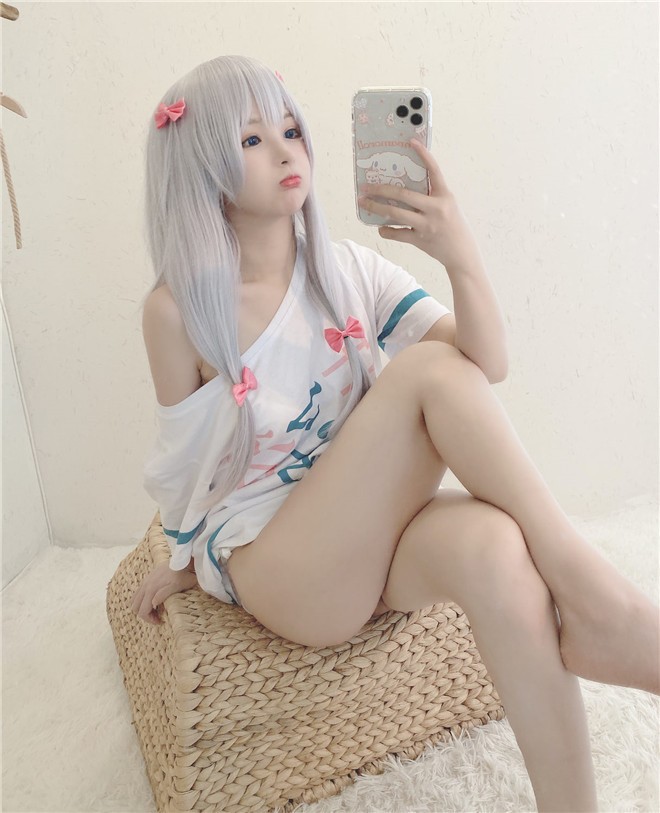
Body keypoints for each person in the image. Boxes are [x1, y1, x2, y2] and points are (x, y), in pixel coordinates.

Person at [131, 55, 659, 812]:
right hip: (283, 566)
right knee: (426, 371)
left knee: (495, 548)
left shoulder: (347, 269)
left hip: (369, 542)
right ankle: (602, 602)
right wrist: (185, 558)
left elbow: (485, 367)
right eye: (252, 140)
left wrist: (460, 253)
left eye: (291, 130)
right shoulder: (177, 312)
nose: (285, 151)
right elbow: (183, 457)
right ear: (201, 167)